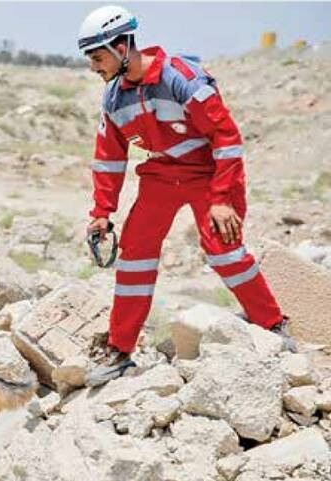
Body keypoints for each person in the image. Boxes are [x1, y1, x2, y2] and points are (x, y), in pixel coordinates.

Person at [76, 5, 297, 387]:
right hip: (162, 175)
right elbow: (109, 159)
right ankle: (120, 350)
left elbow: (226, 138)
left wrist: (222, 198)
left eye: (97, 58)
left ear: (121, 48)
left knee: (224, 250)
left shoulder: (182, 77)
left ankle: (273, 326)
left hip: (210, 174)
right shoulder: (113, 98)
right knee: (134, 256)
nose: (93, 67)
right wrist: (101, 212)